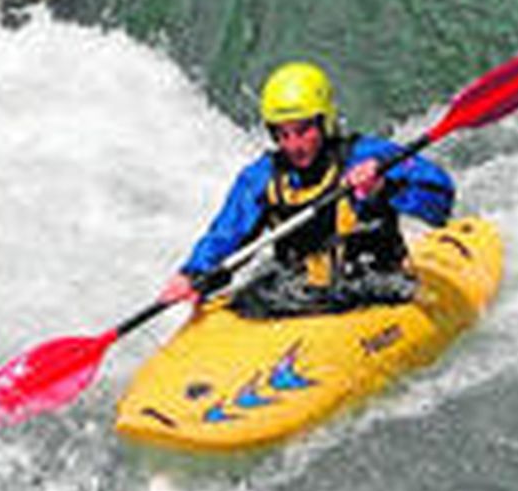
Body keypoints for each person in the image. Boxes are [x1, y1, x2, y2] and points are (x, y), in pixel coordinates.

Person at [158, 60, 455, 317]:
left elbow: (441, 200)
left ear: (324, 122)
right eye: (281, 134)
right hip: (296, 297)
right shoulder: (262, 178)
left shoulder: (367, 156)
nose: (293, 145)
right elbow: (227, 233)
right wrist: (193, 274)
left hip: (374, 290)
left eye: (303, 131)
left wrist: (384, 186)